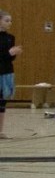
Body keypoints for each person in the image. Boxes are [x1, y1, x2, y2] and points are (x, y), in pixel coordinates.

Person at [0, 8, 18, 138]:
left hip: (7, 73)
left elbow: (10, 58)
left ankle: (0, 131)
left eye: (10, 21)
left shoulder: (10, 38)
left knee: (2, 103)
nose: (9, 23)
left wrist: (13, 54)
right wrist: (8, 53)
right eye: (6, 20)